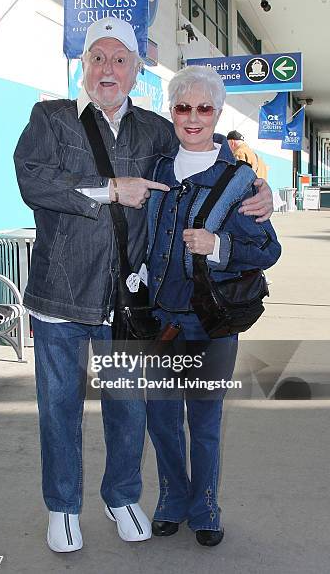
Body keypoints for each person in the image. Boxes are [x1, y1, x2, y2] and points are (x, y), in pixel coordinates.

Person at [14, 18, 274, 553]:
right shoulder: (51, 118)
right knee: (58, 408)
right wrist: (111, 190)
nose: (108, 69)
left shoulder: (155, 129)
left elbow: (204, 155)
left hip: (126, 303)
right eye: (98, 59)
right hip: (60, 297)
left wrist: (261, 187)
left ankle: (123, 494)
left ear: (136, 70)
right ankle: (63, 507)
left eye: (120, 60)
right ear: (83, 66)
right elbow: (33, 182)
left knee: (128, 408)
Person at [146, 65, 281, 547]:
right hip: (158, 322)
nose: (194, 117)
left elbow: (268, 250)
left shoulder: (240, 181)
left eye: (205, 108)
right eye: (184, 107)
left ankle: (204, 506)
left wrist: (218, 245)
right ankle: (170, 499)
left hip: (211, 324)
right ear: (173, 112)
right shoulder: (158, 170)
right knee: (161, 419)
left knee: (203, 422)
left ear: (218, 113)